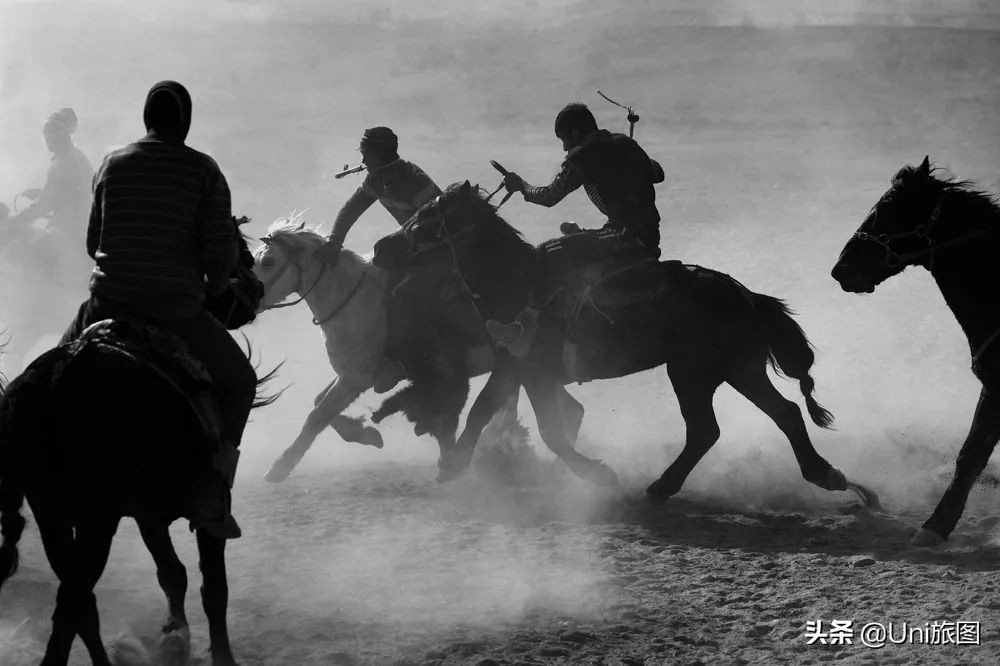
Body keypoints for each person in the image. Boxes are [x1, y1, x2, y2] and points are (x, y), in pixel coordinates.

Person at [60, 80, 256, 539]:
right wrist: (211, 285)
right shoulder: (203, 170)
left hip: (104, 303)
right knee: (240, 381)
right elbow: (219, 255)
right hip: (174, 311)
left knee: (52, 367)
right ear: (185, 123)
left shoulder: (111, 162)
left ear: (146, 118)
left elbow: (94, 243)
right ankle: (213, 488)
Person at [484, 102, 666, 358]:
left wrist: (521, 186)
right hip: (648, 235)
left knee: (549, 250)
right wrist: (630, 155)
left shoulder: (582, 156)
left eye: (564, 139)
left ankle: (523, 331)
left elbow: (549, 196)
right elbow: (658, 173)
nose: (564, 147)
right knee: (574, 234)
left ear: (576, 133)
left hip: (625, 235)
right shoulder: (625, 143)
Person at [319, 126, 441, 254]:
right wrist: (333, 243)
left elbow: (434, 224)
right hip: (417, 243)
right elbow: (350, 210)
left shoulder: (414, 179)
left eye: (367, 155)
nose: (363, 161)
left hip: (440, 248)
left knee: (384, 250)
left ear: (381, 155)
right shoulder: (374, 181)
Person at [8, 107, 94, 280]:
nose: (46, 140)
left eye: (48, 135)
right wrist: (41, 192)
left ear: (60, 135)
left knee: (13, 252)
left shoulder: (62, 165)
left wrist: (13, 220)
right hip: (78, 236)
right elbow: (66, 194)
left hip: (64, 240)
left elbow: (42, 207)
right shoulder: (77, 158)